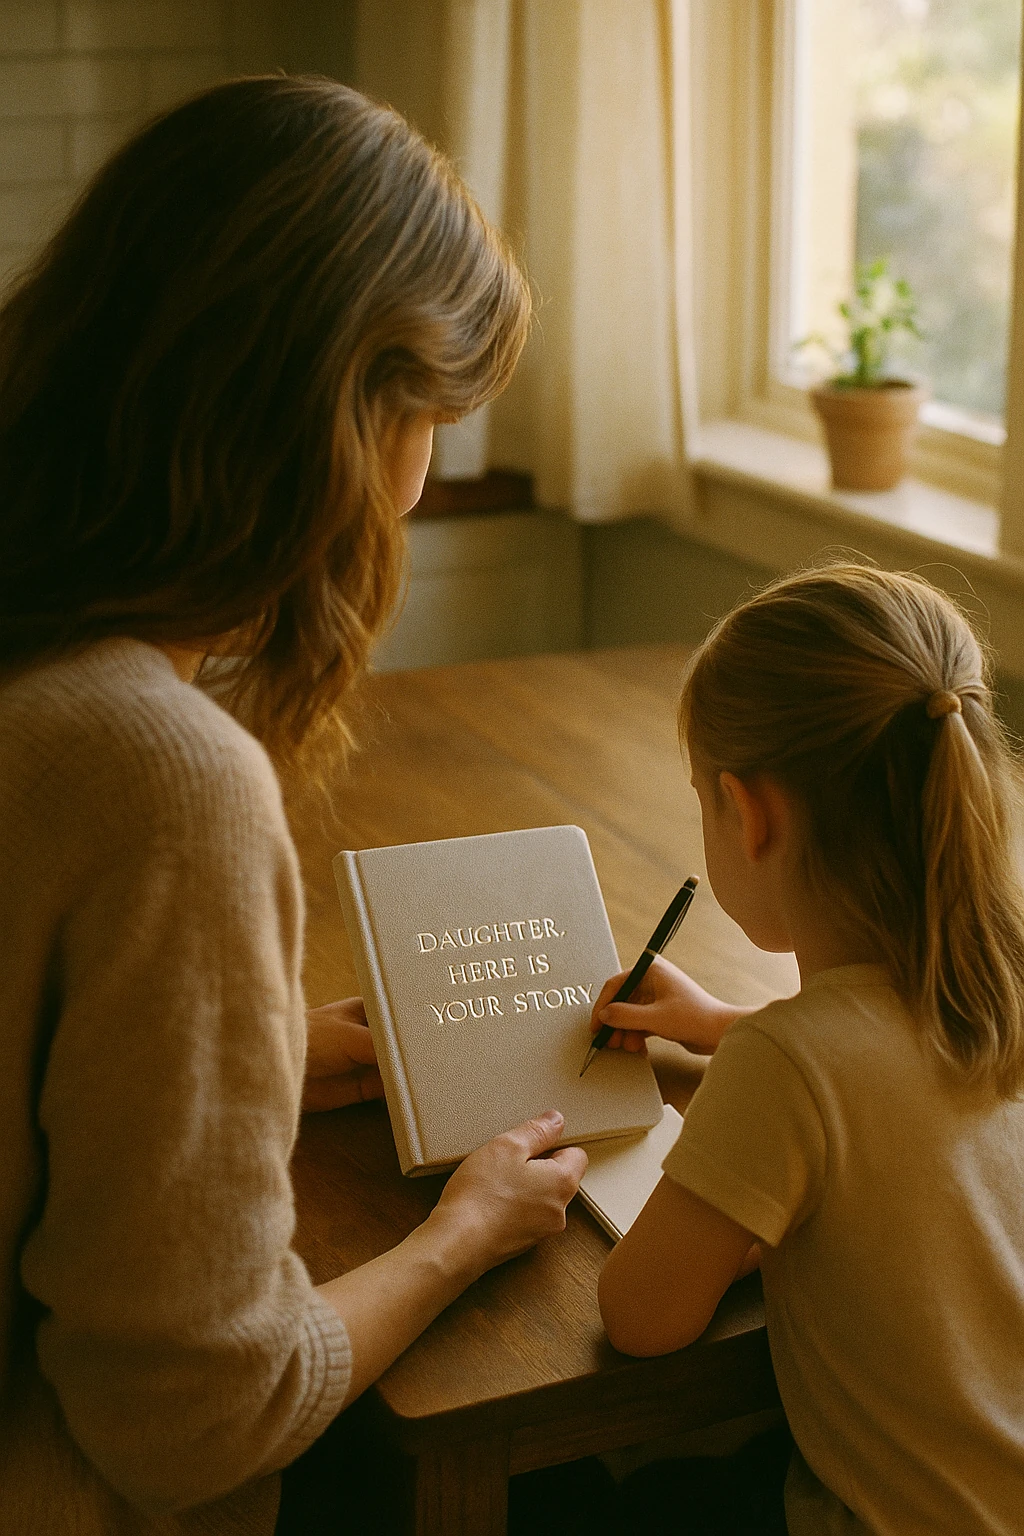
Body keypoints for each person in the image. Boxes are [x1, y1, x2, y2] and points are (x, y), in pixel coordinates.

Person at [0, 76, 587, 1536]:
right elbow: (197, 1422)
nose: (420, 481)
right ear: (352, 416)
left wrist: (245, 1054)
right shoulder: (159, 774)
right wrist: (461, 1238)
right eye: (437, 415)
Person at [593, 565, 1024, 1534]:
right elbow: (896, 1075)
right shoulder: (998, 986)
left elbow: (641, 1317)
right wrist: (723, 1024)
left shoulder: (789, 1066)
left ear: (750, 815)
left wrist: (755, 1217)